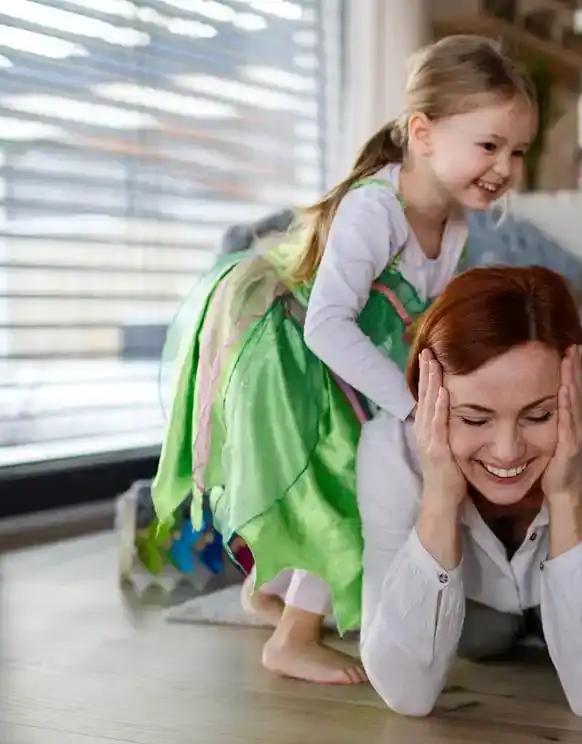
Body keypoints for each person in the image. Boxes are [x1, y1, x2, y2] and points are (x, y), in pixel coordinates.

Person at [146, 36, 537, 686]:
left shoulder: (459, 225)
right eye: (489, 145)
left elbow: (424, 327)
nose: (504, 165)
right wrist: (412, 406)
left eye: (517, 150)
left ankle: (265, 593)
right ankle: (292, 638)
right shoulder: (375, 210)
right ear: (424, 132)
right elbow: (328, 323)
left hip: (338, 349)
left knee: (355, 474)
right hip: (288, 343)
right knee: (344, 483)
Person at [356, 265, 582, 717]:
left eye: (538, 416)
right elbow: (405, 692)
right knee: (484, 635)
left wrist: (569, 494)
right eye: (475, 419)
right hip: (476, 606)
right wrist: (439, 496)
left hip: (551, 591)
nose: (508, 451)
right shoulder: (391, 450)